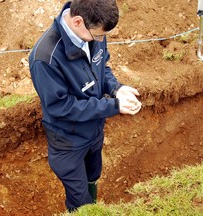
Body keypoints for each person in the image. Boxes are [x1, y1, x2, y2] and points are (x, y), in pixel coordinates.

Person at [28, 0, 142, 212]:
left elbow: (102, 67)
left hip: (94, 130)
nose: (101, 40)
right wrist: (113, 106)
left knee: (93, 176)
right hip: (67, 142)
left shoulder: (92, 32)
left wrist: (116, 88)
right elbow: (60, 107)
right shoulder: (45, 57)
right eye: (98, 35)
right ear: (78, 21)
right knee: (81, 203)